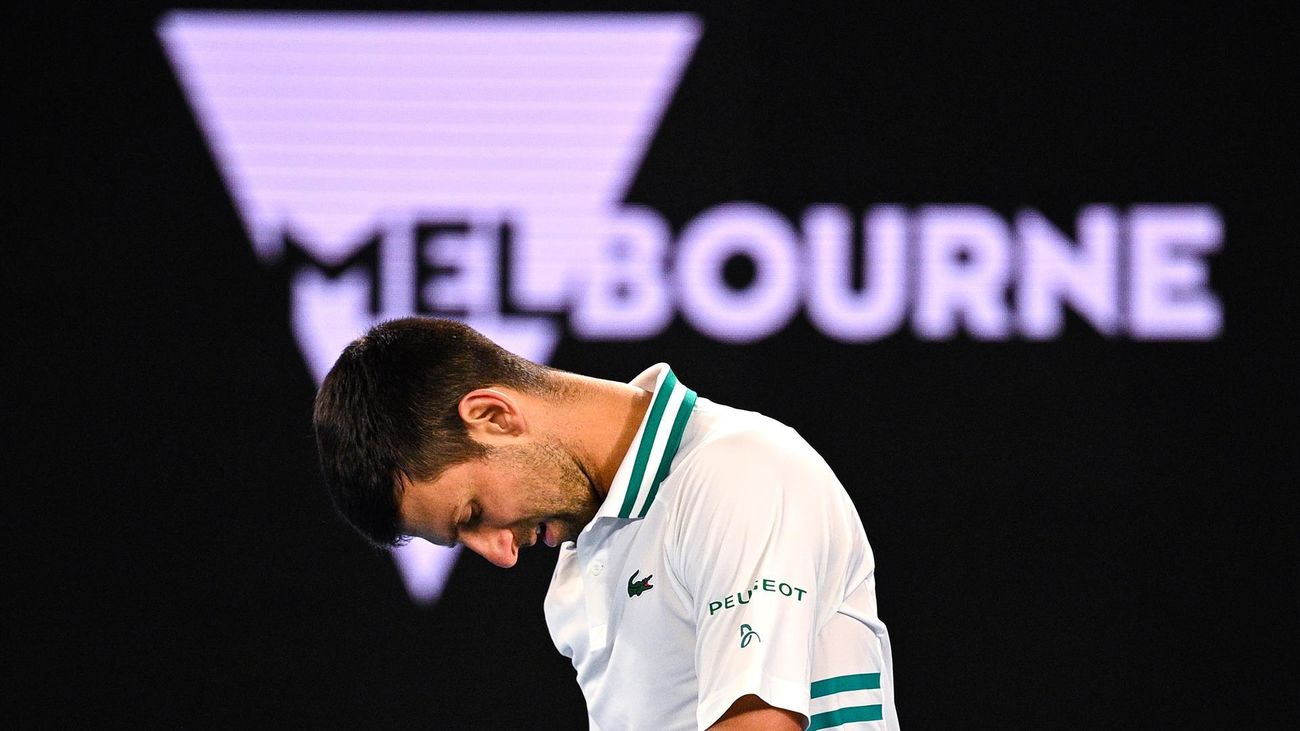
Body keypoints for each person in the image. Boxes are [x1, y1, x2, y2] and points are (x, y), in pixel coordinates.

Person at [313, 317, 899, 731]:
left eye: (472, 515)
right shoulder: (580, 567)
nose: (500, 554)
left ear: (493, 416)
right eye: (462, 539)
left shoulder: (738, 472)